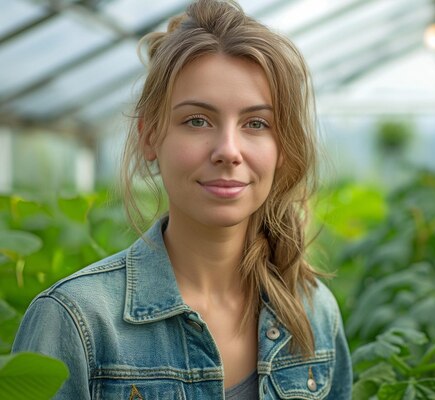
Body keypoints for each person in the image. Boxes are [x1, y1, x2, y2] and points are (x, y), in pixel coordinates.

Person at [12, 0, 352, 398]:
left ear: (283, 148)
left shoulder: (313, 315)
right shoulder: (76, 321)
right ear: (150, 136)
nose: (228, 150)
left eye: (256, 123)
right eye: (197, 120)